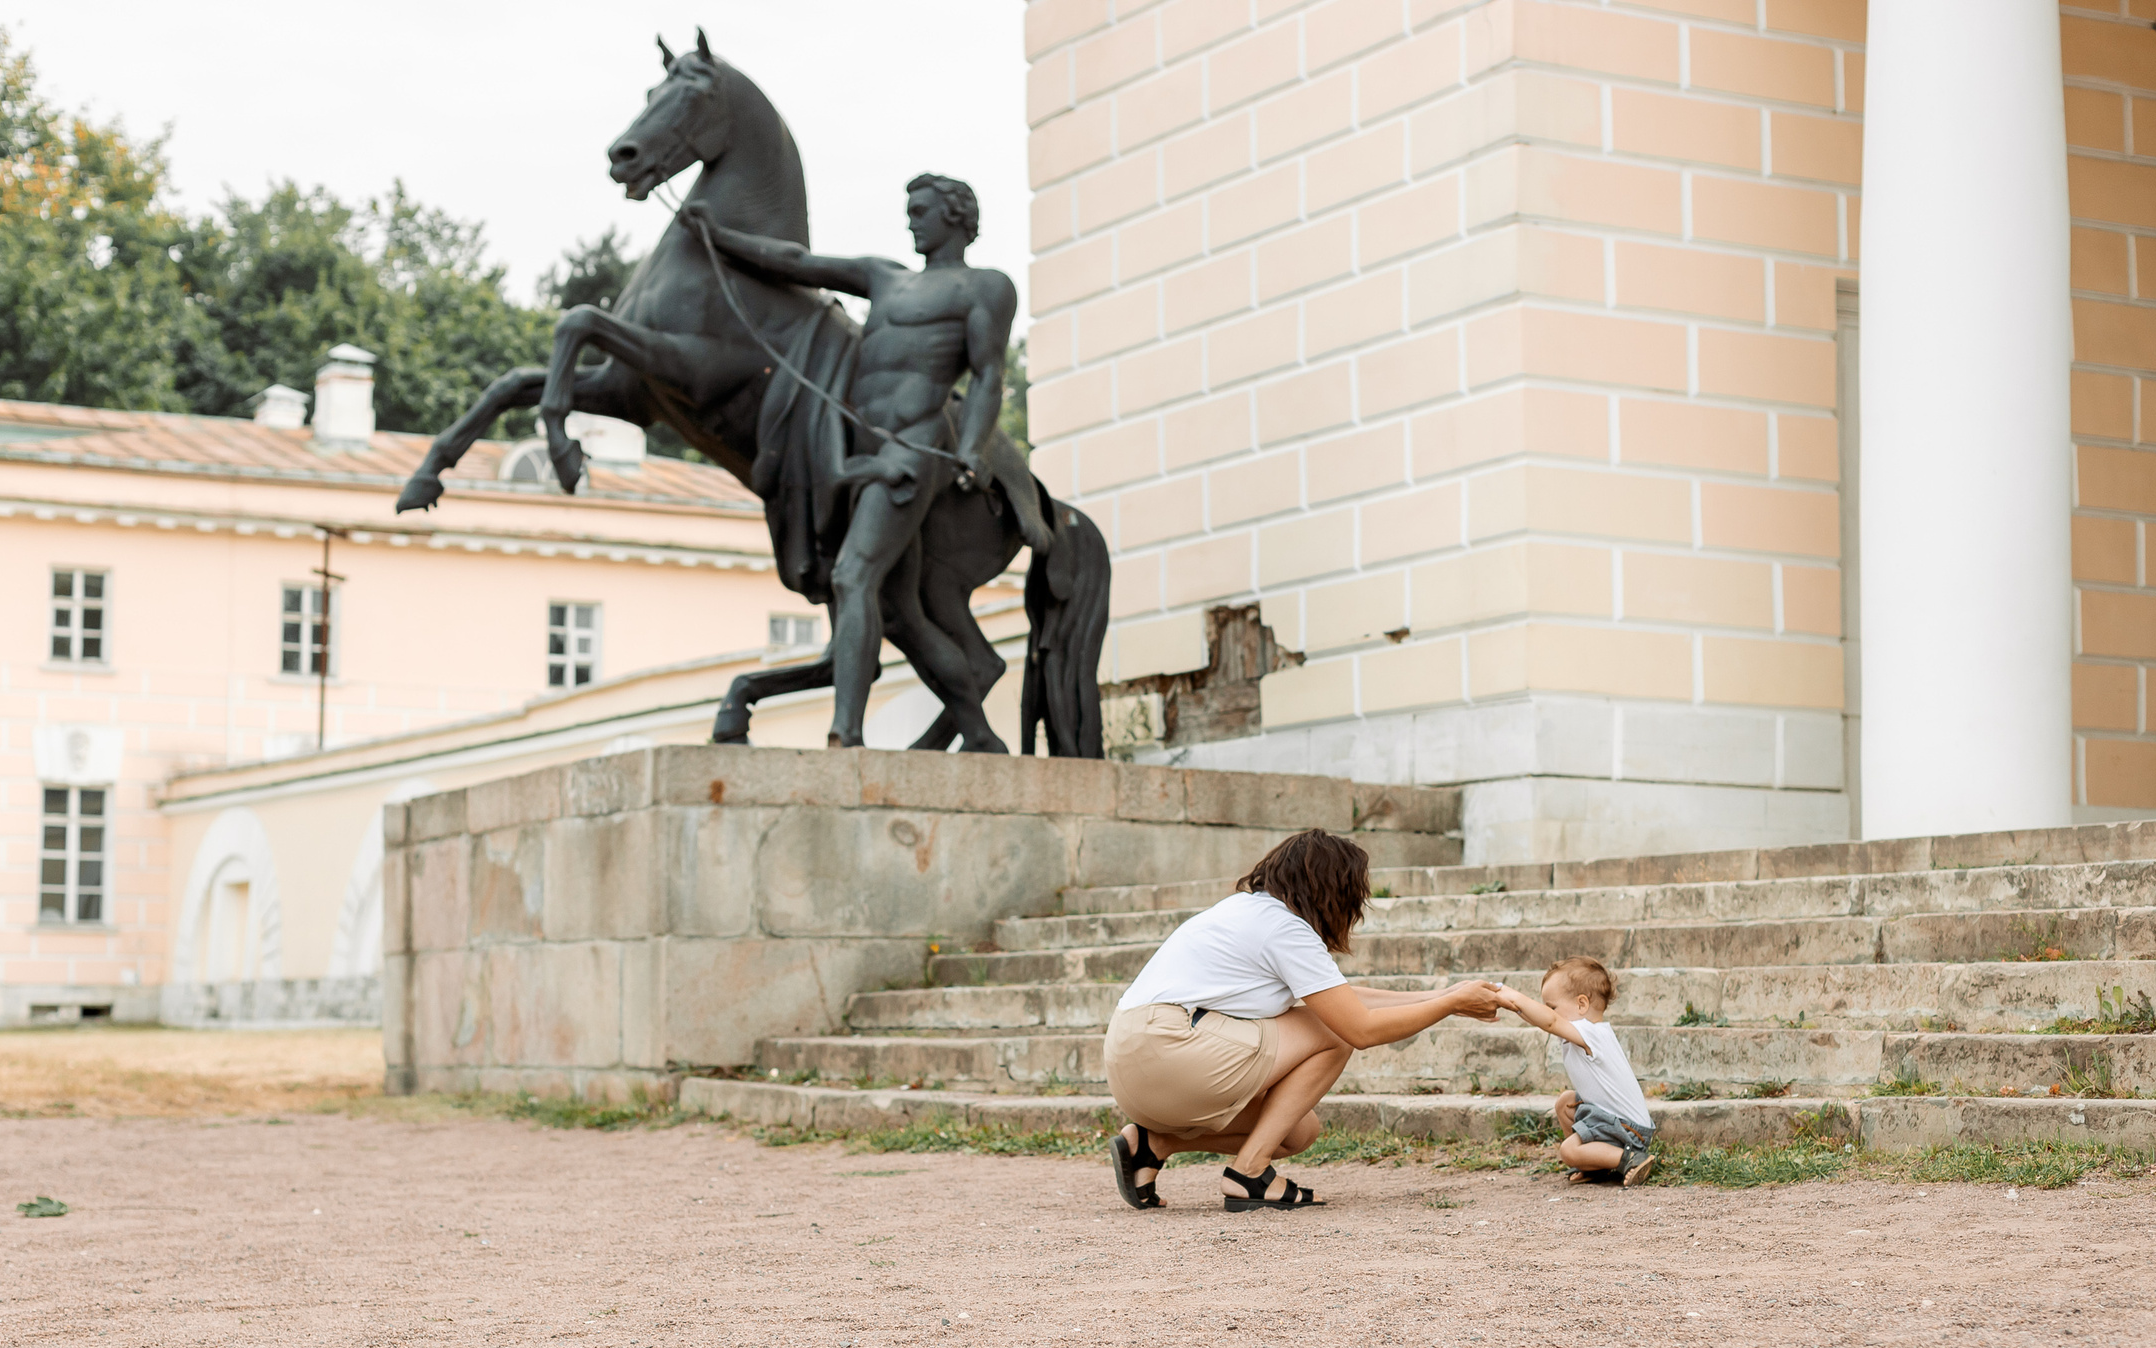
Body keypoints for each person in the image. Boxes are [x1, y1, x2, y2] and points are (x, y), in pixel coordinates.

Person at [681, 174, 1031, 750]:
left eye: (921, 210)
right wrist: (719, 238)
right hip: (860, 449)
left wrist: (970, 450)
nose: (911, 220)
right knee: (904, 614)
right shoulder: (882, 276)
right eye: (909, 211)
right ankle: (978, 732)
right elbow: (798, 263)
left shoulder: (984, 287)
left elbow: (990, 373)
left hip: (913, 447)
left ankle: (847, 733)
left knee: (853, 576)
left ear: (955, 216)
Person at [1103, 829, 1509, 1212]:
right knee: (1334, 1033)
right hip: (1172, 1046)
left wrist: (1443, 995)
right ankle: (1248, 1176)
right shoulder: (1285, 929)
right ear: (1336, 890)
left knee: (1297, 1131)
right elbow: (1358, 1028)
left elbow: (1344, 1000)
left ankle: (1154, 1143)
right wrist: (1450, 1005)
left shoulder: (1245, 912)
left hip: (1132, 1061)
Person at [1498, 956, 1657, 1187]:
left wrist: (1509, 992)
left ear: (1581, 1005)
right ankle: (1594, 1165)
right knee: (1566, 1102)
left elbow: (1550, 1022)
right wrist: (1509, 1004)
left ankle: (1631, 1158)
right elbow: (1543, 1020)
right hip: (1610, 1121)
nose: (1546, 1012)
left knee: (1568, 1150)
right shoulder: (1582, 1031)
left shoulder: (1592, 1032)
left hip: (1629, 1131)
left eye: (1551, 1006)